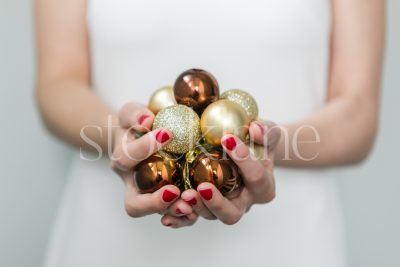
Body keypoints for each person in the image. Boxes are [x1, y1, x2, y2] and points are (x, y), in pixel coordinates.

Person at [35, 0, 385, 266]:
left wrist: (268, 149)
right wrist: (119, 136)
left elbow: (358, 112)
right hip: (106, 240)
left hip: (289, 241)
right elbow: (57, 85)